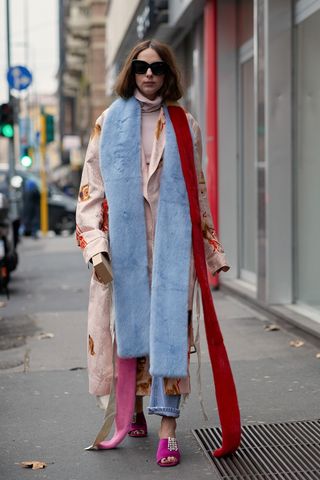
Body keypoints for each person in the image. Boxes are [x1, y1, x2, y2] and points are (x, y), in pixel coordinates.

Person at [76, 39, 241, 467]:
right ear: (130, 72)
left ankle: (168, 429)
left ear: (169, 74)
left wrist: (210, 250)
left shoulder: (187, 125)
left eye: (158, 67)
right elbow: (90, 194)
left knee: (172, 333)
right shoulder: (107, 123)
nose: (149, 74)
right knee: (130, 332)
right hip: (124, 252)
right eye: (141, 67)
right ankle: (132, 406)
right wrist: (96, 248)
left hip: (173, 248)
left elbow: (197, 191)